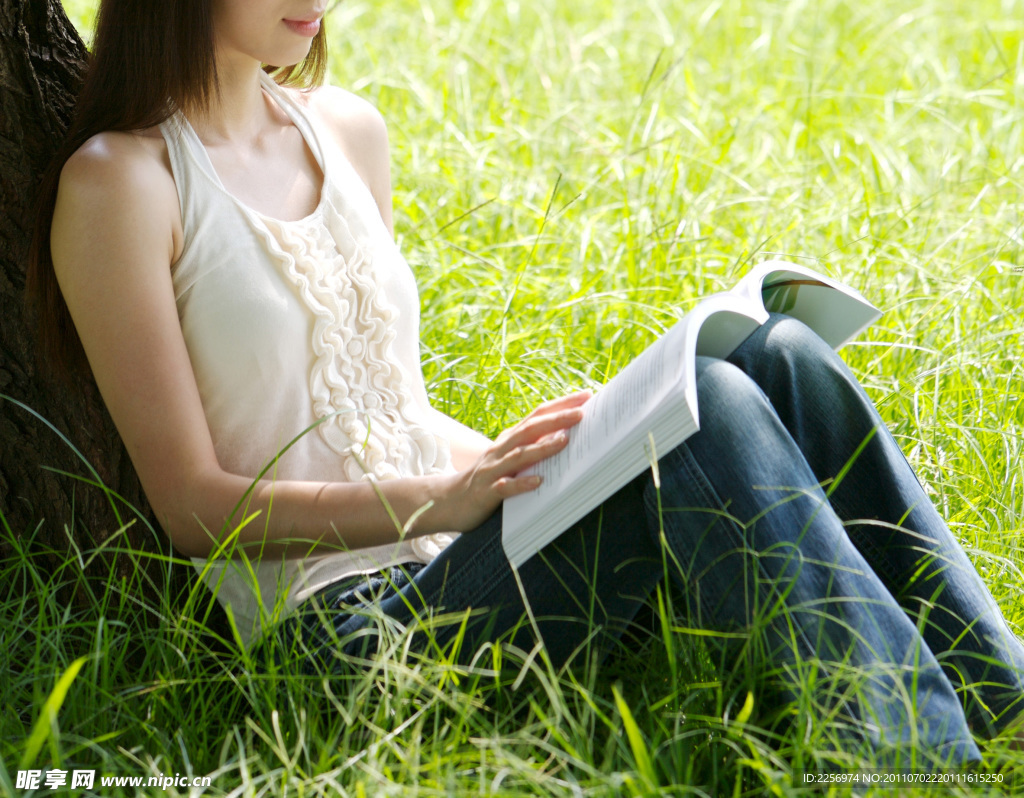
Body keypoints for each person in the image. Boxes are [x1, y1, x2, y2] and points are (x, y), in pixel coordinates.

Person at [27, 0, 1024, 770]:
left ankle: (1003, 700)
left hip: (460, 555)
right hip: (342, 641)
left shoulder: (344, 129)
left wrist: (569, 440)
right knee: (713, 408)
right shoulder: (123, 184)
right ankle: (903, 759)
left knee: (768, 356)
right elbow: (193, 507)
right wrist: (438, 501)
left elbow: (385, 405)